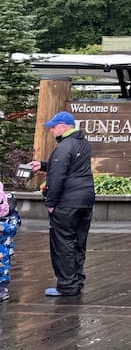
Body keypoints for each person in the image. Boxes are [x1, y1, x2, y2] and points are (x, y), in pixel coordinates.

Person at [28, 110, 95, 297]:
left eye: (53, 127)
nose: (51, 131)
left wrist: (51, 202)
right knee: (78, 242)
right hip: (85, 200)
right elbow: (70, 168)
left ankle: (66, 285)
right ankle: (76, 281)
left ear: (64, 127)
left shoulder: (64, 147)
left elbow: (57, 177)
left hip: (67, 202)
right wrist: (42, 165)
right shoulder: (83, 143)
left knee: (63, 242)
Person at [0, 183, 22, 303]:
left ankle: (2, 289)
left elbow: (13, 228)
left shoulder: (11, 215)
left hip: (4, 248)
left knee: (3, 268)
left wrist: (2, 227)